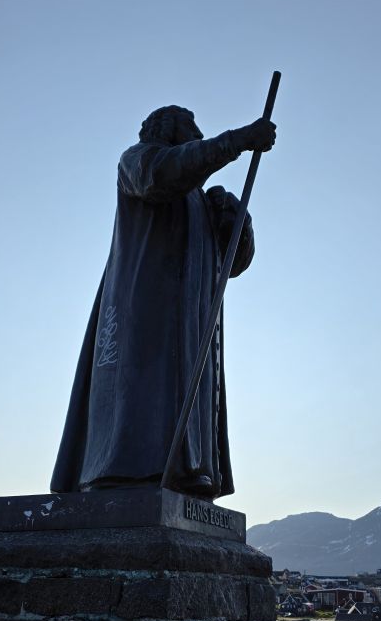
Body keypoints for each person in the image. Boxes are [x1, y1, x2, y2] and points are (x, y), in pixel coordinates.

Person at [51, 105, 276, 499]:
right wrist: (235, 141)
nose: (198, 136)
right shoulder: (139, 161)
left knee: (188, 391)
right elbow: (161, 175)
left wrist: (237, 223)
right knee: (141, 389)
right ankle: (123, 473)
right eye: (191, 129)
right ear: (167, 129)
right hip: (145, 307)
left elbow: (232, 265)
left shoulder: (201, 200)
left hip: (192, 321)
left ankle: (188, 472)